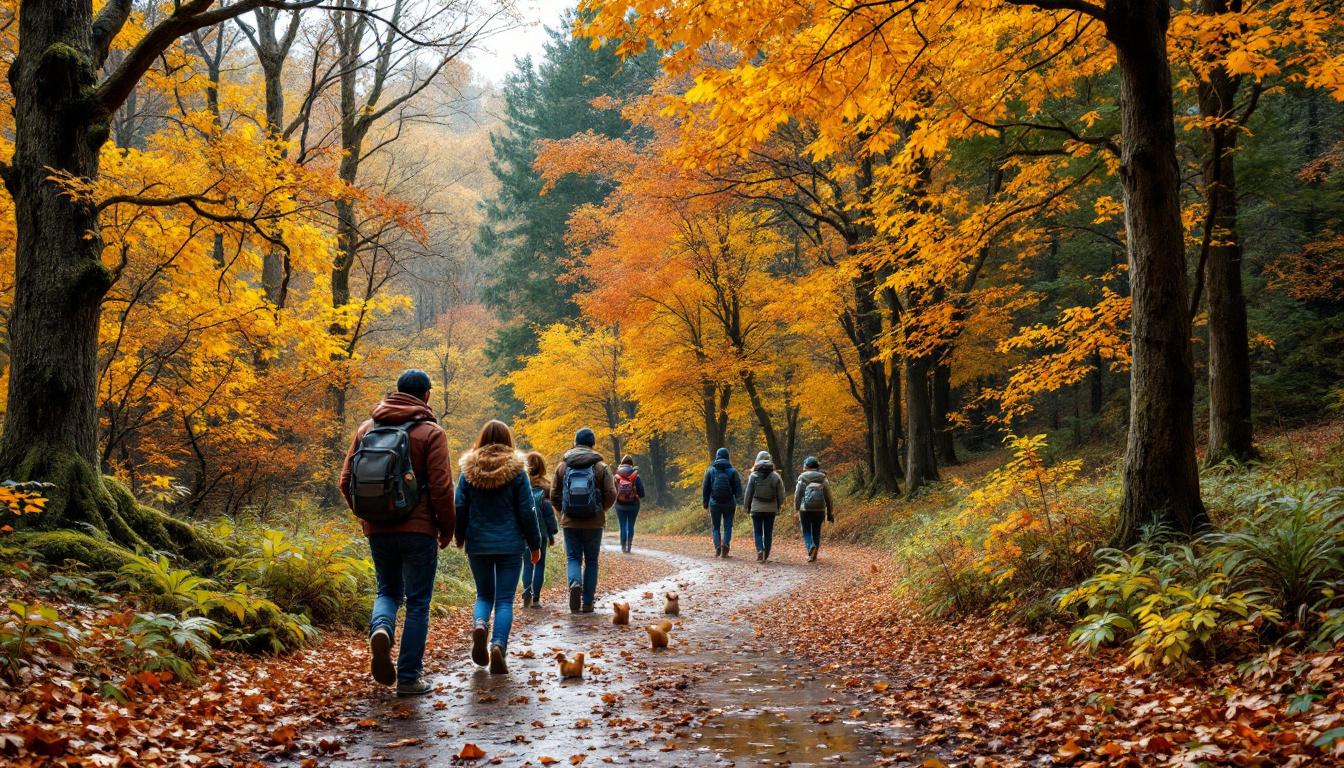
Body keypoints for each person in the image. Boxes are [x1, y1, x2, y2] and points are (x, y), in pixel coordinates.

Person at [340, 369, 455, 697]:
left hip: (378, 529)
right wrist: (446, 529)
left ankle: (382, 631)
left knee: (387, 591)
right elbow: (441, 488)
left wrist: (367, 516)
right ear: (427, 396)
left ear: (396, 391)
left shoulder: (367, 428)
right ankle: (408, 677)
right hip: (419, 530)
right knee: (418, 602)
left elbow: (345, 481)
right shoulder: (431, 432)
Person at [454, 420, 542, 674]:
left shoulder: (468, 470)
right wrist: (534, 544)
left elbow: (460, 507)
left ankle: (481, 625)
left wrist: (460, 536)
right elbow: (528, 511)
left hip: (478, 543)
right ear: (508, 439)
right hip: (510, 544)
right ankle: (498, 647)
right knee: (504, 601)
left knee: (483, 595)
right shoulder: (517, 471)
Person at [550, 427, 617, 613]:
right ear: (592, 444)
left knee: (573, 557)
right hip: (594, 522)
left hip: (570, 521)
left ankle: (574, 583)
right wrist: (600, 509)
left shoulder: (563, 466)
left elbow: (553, 494)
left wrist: (564, 510)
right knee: (592, 560)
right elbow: (611, 493)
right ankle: (587, 602)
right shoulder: (600, 466)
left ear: (575, 442)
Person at [522, 451, 558, 607]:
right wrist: (552, 533)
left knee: (527, 564)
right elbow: (549, 515)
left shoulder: (521, 485)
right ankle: (536, 599)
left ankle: (526, 594)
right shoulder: (546, 488)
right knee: (540, 564)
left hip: (524, 534)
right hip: (542, 534)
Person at [743, 451, 786, 562]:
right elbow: (781, 494)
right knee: (768, 532)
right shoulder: (776, 476)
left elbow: (748, 493)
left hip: (756, 508)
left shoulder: (753, 475)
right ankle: (766, 554)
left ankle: (759, 551)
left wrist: (746, 507)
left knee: (757, 531)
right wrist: (780, 505)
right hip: (771, 509)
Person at [701, 448, 743, 557]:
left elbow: (705, 489)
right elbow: (738, 488)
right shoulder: (733, 471)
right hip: (729, 503)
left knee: (715, 526)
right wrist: (740, 501)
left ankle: (717, 546)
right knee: (728, 525)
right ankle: (725, 545)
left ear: (717, 456)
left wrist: (705, 503)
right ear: (727, 456)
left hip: (714, 503)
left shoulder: (710, 470)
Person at [794, 456, 836, 562]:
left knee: (806, 530)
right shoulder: (823, 478)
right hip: (820, 509)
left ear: (806, 466)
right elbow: (829, 497)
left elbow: (798, 494)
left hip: (805, 509)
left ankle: (810, 547)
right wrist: (830, 512)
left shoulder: (802, 477)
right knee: (816, 531)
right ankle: (814, 554)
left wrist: (797, 507)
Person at [613, 455, 646, 553]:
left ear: (622, 463)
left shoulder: (616, 476)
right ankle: (629, 547)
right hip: (633, 505)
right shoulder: (636, 476)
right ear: (631, 464)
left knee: (622, 525)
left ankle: (623, 547)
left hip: (619, 504)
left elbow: (612, 491)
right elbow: (642, 493)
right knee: (630, 525)